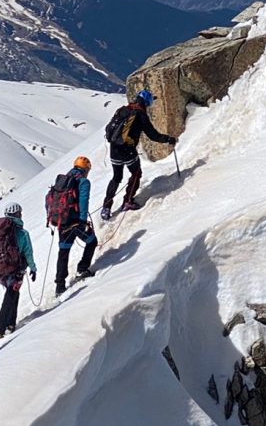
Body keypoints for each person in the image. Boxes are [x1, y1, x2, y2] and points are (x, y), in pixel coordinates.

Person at [100, 90, 177, 219]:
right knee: (136, 173)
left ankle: (106, 208)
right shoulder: (141, 115)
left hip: (114, 149)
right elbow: (153, 135)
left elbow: (109, 128)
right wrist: (168, 139)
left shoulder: (123, 110)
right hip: (128, 150)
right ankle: (127, 201)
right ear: (147, 102)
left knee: (116, 178)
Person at [47, 157, 97, 295]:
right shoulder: (83, 182)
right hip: (76, 222)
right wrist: (83, 220)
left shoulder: (63, 180)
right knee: (92, 241)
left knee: (64, 251)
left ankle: (60, 286)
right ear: (86, 169)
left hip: (61, 221)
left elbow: (49, 199)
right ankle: (82, 269)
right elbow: (83, 200)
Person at [0, 202, 37, 343]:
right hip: (16, 270)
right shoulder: (22, 233)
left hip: (1, 271)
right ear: (18, 214)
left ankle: (10, 324)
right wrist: (33, 268)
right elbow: (28, 253)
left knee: (13, 293)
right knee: (10, 297)